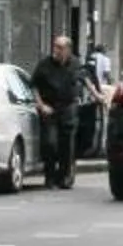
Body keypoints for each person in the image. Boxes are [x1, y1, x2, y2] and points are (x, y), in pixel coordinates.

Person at [28, 34, 87, 188]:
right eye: (55, 46)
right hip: (50, 109)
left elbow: (83, 79)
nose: (56, 50)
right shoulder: (44, 65)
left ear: (68, 50)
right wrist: (41, 105)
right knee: (50, 143)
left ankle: (65, 177)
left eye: (60, 47)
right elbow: (34, 86)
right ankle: (50, 177)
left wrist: (97, 95)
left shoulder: (75, 63)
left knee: (67, 145)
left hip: (68, 108)